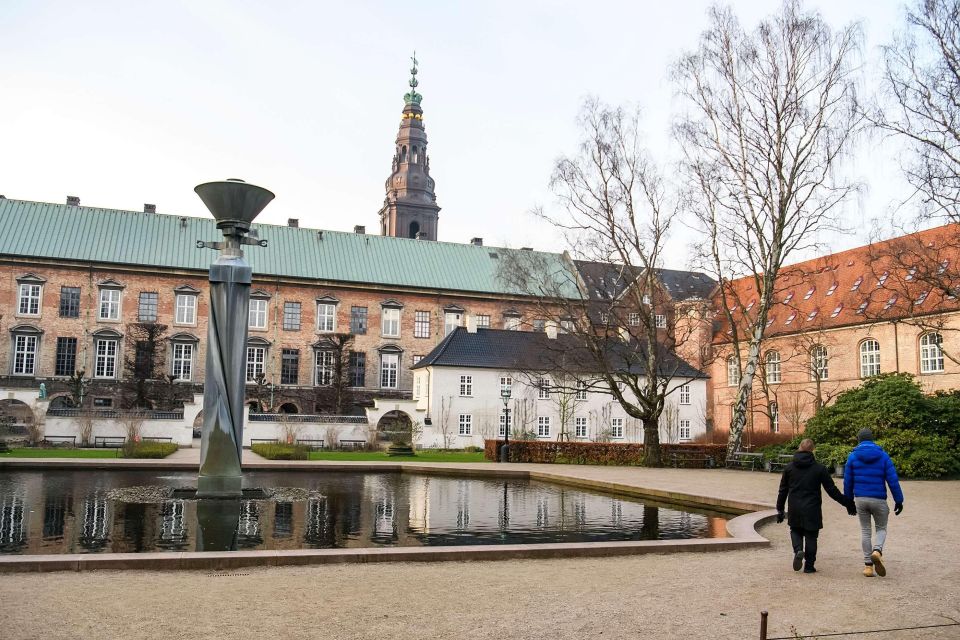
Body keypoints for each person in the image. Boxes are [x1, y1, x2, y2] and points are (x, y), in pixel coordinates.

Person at [776, 438, 855, 573]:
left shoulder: (789, 468)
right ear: (813, 450)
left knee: (795, 530)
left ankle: (798, 550)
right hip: (812, 508)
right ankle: (809, 566)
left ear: (799, 448)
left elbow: (783, 490)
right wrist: (847, 503)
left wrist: (780, 509)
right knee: (812, 536)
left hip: (794, 506)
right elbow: (831, 490)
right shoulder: (819, 469)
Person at [843, 428, 904, 578]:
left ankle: (868, 567)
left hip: (861, 499)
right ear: (872, 439)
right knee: (881, 528)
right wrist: (899, 500)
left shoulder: (852, 457)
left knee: (865, 531)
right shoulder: (883, 456)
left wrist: (848, 501)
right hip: (879, 499)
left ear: (859, 440)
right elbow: (892, 480)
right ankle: (877, 551)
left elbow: (848, 481)